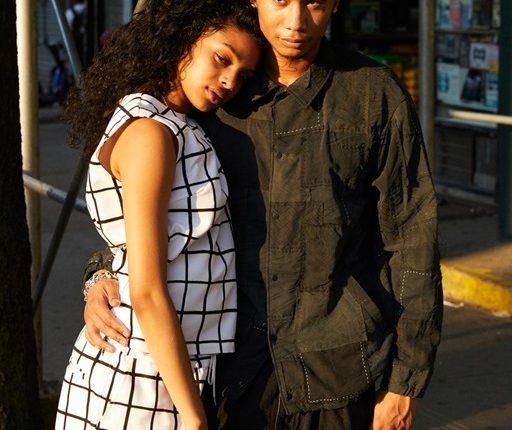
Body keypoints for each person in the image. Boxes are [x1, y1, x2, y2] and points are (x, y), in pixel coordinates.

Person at [82, 0, 443, 429]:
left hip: (341, 371)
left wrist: (406, 381)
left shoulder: (373, 93)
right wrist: (102, 274)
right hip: (227, 374)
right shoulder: (212, 92)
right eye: (281, 1)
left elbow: (413, 237)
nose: (296, 21)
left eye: (314, 3)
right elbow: (150, 204)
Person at [54, 0, 263, 428]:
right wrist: (195, 418)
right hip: (139, 376)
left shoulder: (177, 123)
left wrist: (99, 277)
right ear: (183, 41)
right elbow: (147, 289)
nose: (229, 81)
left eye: (242, 74)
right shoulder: (150, 131)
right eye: (221, 58)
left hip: (166, 368)